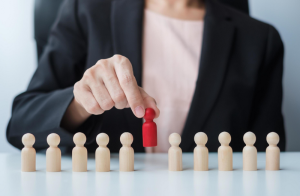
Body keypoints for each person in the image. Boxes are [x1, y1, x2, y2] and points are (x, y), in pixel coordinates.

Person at [6, 0, 285, 153]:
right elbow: (20, 125)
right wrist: (80, 104)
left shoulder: (260, 40)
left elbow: (268, 154)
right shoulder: (87, 9)